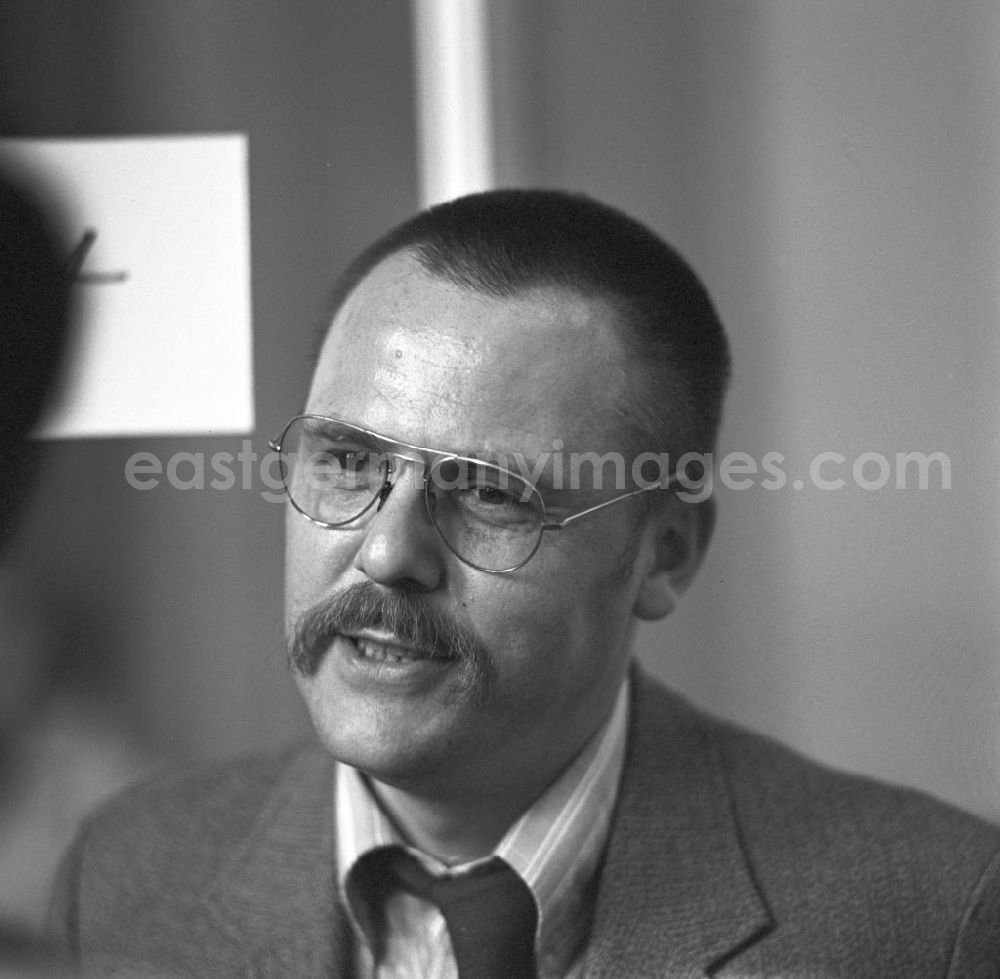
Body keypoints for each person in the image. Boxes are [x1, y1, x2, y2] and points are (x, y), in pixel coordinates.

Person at [50, 190, 1000, 977]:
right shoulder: (130, 874)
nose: (387, 553)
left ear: (663, 554)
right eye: (345, 459)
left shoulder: (930, 922)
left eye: (492, 493)